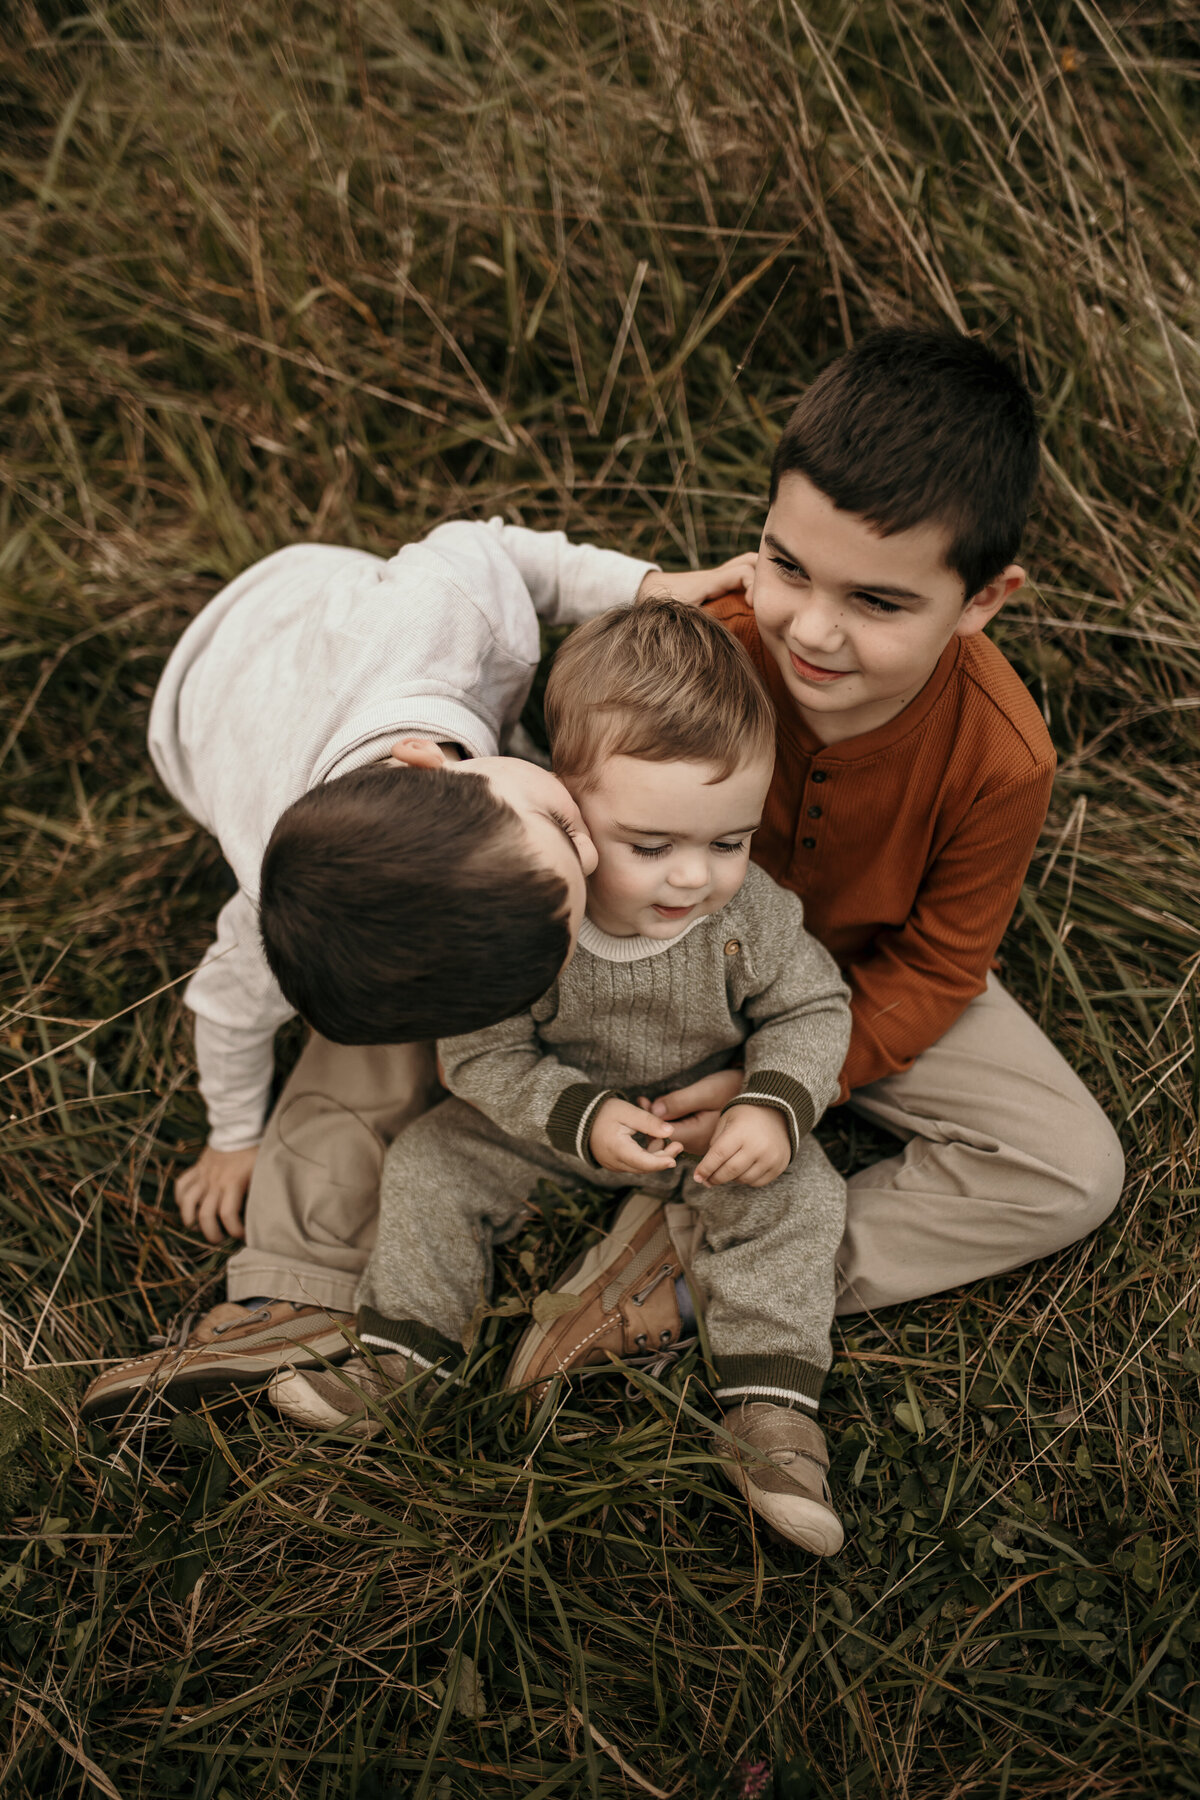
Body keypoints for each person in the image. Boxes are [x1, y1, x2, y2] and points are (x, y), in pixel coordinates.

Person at [80, 522, 752, 1422]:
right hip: (198, 712)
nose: (592, 848)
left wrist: (649, 584)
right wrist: (230, 1135)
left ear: (433, 765)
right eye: (566, 835)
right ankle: (299, 1293)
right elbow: (226, 1011)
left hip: (310, 590)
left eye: (564, 840)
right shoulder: (262, 912)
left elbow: (502, 548)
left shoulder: (441, 613)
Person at [534, 326, 1124, 1347]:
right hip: (646, 937)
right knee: (436, 947)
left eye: (878, 601)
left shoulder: (1003, 755)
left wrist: (788, 1085)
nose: (809, 628)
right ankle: (312, 1266)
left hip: (846, 982)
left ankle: (699, 1275)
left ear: (983, 600)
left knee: (1072, 1168)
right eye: (789, 567)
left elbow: (941, 967)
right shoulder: (704, 646)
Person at [272, 600, 853, 1554]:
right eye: (651, 846)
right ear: (567, 804)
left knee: (801, 1195)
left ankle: (774, 1415)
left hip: (695, 1131)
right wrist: (577, 1117)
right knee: (428, 1160)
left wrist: (774, 1103)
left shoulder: (749, 916)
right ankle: (401, 1356)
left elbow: (813, 1006)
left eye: (728, 840)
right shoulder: (533, 919)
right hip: (552, 1125)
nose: (692, 880)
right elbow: (480, 1055)